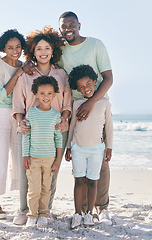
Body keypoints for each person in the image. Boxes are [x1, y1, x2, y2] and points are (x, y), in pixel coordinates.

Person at [12, 26, 72, 225]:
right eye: (39, 48)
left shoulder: (61, 74)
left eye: (47, 48)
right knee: (26, 171)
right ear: (33, 51)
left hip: (56, 130)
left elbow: (67, 103)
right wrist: (21, 123)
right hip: (29, 131)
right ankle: (24, 211)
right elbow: (18, 105)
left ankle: (45, 211)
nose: (43, 52)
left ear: (53, 50)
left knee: (51, 172)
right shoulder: (25, 75)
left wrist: (64, 120)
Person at [58, 11, 114, 224]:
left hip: (97, 106)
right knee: (79, 166)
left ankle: (102, 207)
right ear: (60, 28)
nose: (68, 28)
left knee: (100, 164)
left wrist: (91, 102)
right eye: (64, 26)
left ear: (79, 25)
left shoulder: (96, 45)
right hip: (74, 109)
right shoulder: (61, 50)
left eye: (72, 24)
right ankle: (81, 211)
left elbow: (108, 78)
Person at [65, 64, 113, 229]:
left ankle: (89, 214)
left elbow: (109, 127)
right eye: (81, 87)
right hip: (78, 148)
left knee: (93, 182)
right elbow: (72, 127)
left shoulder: (104, 102)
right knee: (79, 181)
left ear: (95, 81)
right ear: (77, 89)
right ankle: (77, 213)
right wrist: (69, 147)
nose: (86, 89)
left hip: (96, 150)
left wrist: (109, 147)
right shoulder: (77, 103)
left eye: (88, 84)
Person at [0, 29, 26, 219]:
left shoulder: (25, 66)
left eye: (18, 46)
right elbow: (1, 94)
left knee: (20, 157)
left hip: (18, 114)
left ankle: (23, 204)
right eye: (10, 47)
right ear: (3, 48)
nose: (15, 50)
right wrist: (17, 74)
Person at [22, 76, 63, 227]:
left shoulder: (56, 115)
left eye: (49, 93)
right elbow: (27, 135)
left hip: (50, 159)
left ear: (54, 95)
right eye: (42, 93)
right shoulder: (31, 113)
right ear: (36, 94)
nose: (46, 97)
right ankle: (32, 215)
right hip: (33, 158)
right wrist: (25, 155)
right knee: (34, 189)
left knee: (47, 188)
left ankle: (44, 214)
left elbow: (58, 139)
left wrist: (58, 159)